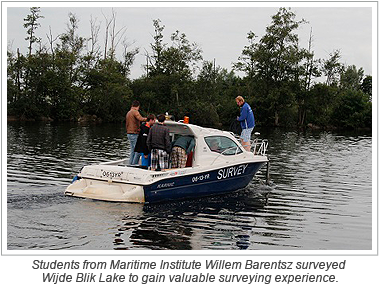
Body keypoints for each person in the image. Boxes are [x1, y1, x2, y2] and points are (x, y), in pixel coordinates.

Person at [126, 100, 147, 165]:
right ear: (138, 106)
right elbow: (140, 119)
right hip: (134, 133)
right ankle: (134, 164)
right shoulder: (135, 112)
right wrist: (148, 119)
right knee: (138, 151)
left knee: (132, 150)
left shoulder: (129, 112)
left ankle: (130, 163)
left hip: (129, 133)